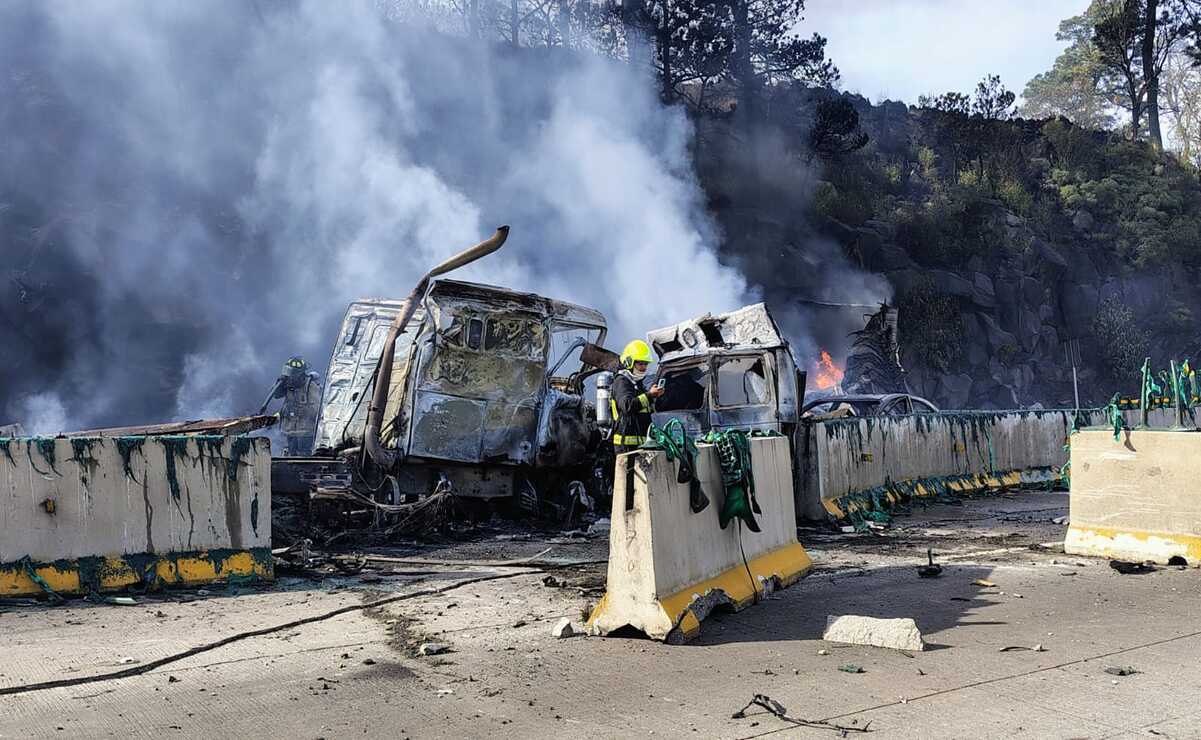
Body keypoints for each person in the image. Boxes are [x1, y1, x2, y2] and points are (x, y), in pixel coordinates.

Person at [259, 356, 322, 456]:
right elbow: (275, 395)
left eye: (291, 374)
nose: (289, 377)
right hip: (289, 431)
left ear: (299, 374)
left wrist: (299, 411)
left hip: (305, 432)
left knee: (303, 458)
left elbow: (317, 410)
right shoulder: (288, 385)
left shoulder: (310, 386)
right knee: (290, 456)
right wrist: (279, 383)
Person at [610, 339, 664, 455]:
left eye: (646, 364)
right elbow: (627, 406)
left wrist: (653, 397)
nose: (644, 367)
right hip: (626, 447)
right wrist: (650, 395)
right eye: (640, 363)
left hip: (639, 446)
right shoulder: (622, 382)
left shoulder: (637, 384)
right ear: (629, 362)